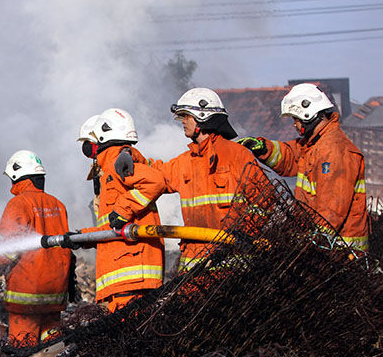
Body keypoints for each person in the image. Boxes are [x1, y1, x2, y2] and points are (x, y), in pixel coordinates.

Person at [113, 88, 260, 273]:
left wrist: (246, 233)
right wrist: (129, 153)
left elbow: (265, 202)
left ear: (202, 116)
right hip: (195, 268)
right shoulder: (186, 162)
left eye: (185, 116)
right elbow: (157, 173)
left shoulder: (238, 156)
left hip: (235, 267)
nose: (182, 122)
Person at [238, 82, 369, 253]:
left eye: (296, 119)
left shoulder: (334, 149)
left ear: (309, 113)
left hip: (341, 252)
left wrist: (310, 242)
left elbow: (332, 209)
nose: (294, 124)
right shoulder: (314, 145)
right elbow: (290, 157)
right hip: (327, 248)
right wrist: (263, 148)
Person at [83, 108, 165, 312]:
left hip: (131, 271)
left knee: (129, 335)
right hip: (126, 272)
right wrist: (82, 237)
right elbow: (112, 226)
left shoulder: (115, 165)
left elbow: (156, 181)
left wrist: (123, 209)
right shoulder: (115, 167)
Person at [0, 150, 74, 347]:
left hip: (26, 293)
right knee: (53, 347)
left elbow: (12, 245)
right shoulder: (58, 205)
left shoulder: (18, 203)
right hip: (54, 292)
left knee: (23, 348)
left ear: (15, 177)